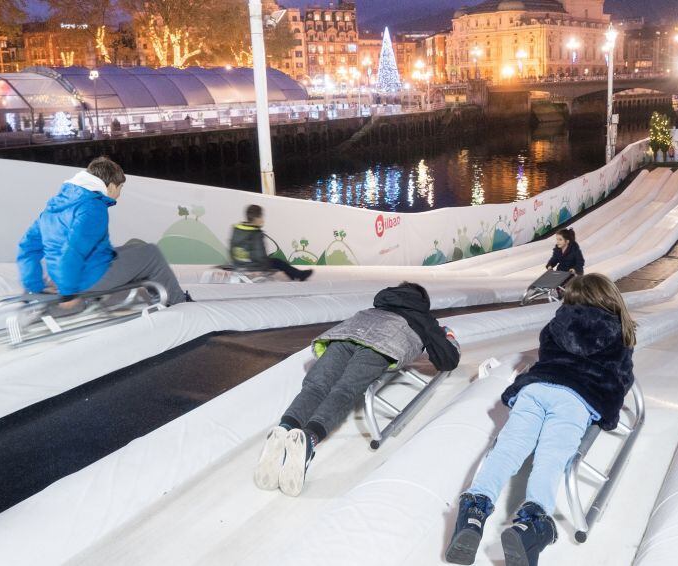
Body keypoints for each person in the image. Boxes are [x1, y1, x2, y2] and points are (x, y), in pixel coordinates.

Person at [445, 273, 636, 566]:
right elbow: (621, 379)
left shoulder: (558, 323)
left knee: (508, 449)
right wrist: (608, 406)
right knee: (551, 457)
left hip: (536, 389)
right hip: (576, 398)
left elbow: (547, 354)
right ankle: (530, 524)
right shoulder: (618, 333)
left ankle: (474, 511)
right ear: (611, 298)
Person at [254, 282, 460, 496]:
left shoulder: (377, 306)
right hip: (383, 344)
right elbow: (447, 360)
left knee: (315, 386)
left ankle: (286, 427)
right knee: (344, 390)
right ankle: (309, 439)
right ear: (423, 301)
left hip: (346, 334)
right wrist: (448, 337)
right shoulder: (422, 317)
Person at [18, 156, 190, 306]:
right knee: (152, 253)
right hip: (84, 278)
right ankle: (177, 302)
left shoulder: (56, 204)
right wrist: (68, 293)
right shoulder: (93, 207)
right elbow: (73, 250)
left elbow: (27, 248)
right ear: (110, 186)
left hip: (64, 275)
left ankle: (161, 294)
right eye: (120, 187)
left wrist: (34, 287)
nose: (120, 194)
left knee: (135, 246)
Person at [230, 204, 313, 281]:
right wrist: (265, 264)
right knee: (277, 262)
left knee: (276, 261)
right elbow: (259, 256)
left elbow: (231, 249)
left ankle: (293, 275)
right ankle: (299, 275)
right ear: (256, 218)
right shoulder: (256, 233)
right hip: (254, 266)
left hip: (238, 264)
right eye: (262, 217)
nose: (263, 219)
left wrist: (237, 263)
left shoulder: (236, 229)